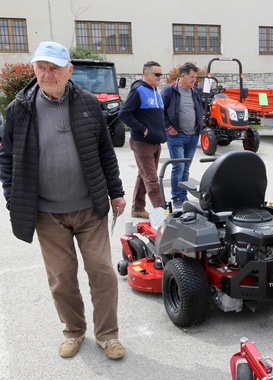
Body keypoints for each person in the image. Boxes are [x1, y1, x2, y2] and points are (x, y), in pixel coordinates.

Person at [0, 41, 127, 359]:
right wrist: (13, 198)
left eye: (54, 68)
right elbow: (7, 158)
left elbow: (105, 152)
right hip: (47, 213)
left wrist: (117, 192)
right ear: (34, 70)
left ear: (69, 71)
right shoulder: (20, 108)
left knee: (103, 273)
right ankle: (74, 330)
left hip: (89, 208)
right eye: (41, 67)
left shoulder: (87, 102)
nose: (47, 74)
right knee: (61, 278)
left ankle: (107, 335)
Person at [119, 61, 167, 219]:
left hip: (155, 142)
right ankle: (162, 214)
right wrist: (144, 130)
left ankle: (138, 208)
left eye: (161, 74)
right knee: (152, 179)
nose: (160, 77)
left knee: (144, 175)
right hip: (142, 143)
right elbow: (124, 113)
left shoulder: (155, 90)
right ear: (146, 74)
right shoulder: (138, 90)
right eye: (157, 74)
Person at [161, 62, 204, 209]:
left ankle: (183, 195)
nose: (194, 80)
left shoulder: (195, 91)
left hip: (192, 136)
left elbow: (199, 109)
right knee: (178, 167)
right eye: (192, 77)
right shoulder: (169, 91)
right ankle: (176, 197)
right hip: (176, 135)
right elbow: (161, 112)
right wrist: (169, 127)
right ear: (183, 76)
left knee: (186, 168)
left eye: (195, 77)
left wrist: (200, 126)